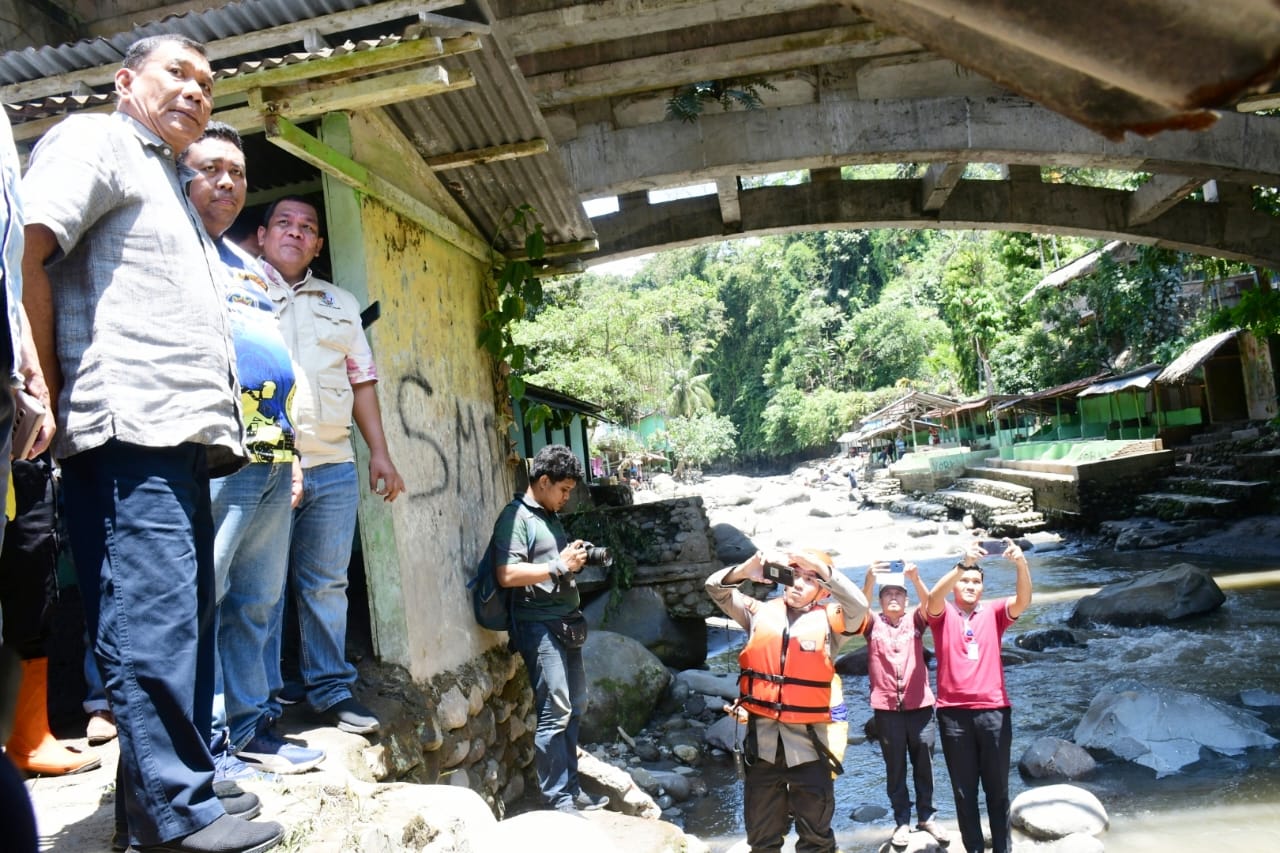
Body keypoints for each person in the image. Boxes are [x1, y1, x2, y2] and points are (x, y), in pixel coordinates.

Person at [20, 34, 283, 853]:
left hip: (178, 433)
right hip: (125, 424)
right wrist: (39, 382)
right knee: (150, 623)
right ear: (126, 79)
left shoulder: (167, 179)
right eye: (179, 74)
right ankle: (177, 814)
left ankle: (176, 792)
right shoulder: (96, 139)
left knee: (178, 620)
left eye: (208, 83)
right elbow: (26, 245)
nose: (197, 92)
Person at [182, 124, 324, 776]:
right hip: (217, 451)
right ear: (181, 176)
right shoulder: (177, 247)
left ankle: (254, 727)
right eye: (212, 169)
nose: (228, 183)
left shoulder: (245, 266)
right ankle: (206, 741)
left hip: (270, 452)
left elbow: (277, 362)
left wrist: (293, 453)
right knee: (203, 599)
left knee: (259, 601)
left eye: (237, 174)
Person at [259, 196, 404, 735]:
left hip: (334, 463)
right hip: (264, 465)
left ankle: (330, 688)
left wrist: (381, 455)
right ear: (263, 234)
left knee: (326, 583)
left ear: (320, 244)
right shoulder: (239, 293)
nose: (295, 234)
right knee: (261, 588)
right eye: (284, 224)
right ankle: (262, 703)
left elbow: (362, 381)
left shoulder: (340, 303)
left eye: (307, 228)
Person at [706, 548, 869, 853]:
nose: (798, 584)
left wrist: (824, 569)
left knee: (816, 837)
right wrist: (745, 570)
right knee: (762, 837)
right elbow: (715, 589)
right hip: (762, 746)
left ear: (822, 590)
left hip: (809, 748)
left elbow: (859, 608)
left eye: (810, 580)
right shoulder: (758, 612)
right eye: (794, 575)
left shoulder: (830, 622)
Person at [491, 445, 607, 813]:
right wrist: (558, 565)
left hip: (564, 623)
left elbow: (553, 565)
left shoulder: (549, 516)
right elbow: (506, 574)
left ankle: (571, 791)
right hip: (538, 625)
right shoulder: (516, 517)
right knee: (556, 708)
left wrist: (571, 560)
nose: (567, 497)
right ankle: (557, 798)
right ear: (543, 481)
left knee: (575, 705)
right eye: (564, 490)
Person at [925, 539, 1032, 853]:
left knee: (997, 789)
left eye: (976, 582)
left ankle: (1002, 848)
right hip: (952, 714)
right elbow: (932, 597)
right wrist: (961, 563)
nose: (970, 586)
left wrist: (1021, 564)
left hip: (994, 712)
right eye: (965, 581)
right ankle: (973, 848)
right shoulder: (942, 614)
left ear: (983, 588)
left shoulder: (995, 612)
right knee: (964, 791)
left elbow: (1024, 600)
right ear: (956, 584)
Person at [860, 563, 949, 850]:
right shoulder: (872, 624)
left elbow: (932, 604)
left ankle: (927, 816)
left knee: (925, 763)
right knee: (895, 767)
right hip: (886, 710)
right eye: (888, 595)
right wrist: (870, 580)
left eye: (899, 594)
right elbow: (856, 610)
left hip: (920, 706)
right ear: (880, 601)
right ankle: (901, 820)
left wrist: (916, 577)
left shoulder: (916, 621)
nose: (894, 598)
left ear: (906, 600)